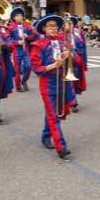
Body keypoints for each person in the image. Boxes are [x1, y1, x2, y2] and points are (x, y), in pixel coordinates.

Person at [30, 14, 75, 159]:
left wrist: (69, 55)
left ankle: (45, 136)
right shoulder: (38, 45)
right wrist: (53, 65)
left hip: (62, 82)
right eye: (50, 26)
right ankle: (61, 147)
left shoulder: (62, 43)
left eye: (55, 26)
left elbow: (76, 60)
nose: (54, 28)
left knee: (54, 113)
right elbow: (36, 68)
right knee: (53, 115)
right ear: (44, 28)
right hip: (48, 84)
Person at [7, 6, 34, 92]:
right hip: (16, 50)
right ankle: (18, 85)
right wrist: (17, 42)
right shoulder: (10, 27)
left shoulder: (27, 26)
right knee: (17, 69)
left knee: (28, 66)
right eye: (17, 16)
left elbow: (35, 35)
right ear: (14, 18)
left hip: (26, 50)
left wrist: (28, 36)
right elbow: (8, 40)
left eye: (21, 15)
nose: (20, 17)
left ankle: (24, 81)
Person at [64, 15, 87, 111]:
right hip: (64, 63)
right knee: (68, 83)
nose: (69, 26)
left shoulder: (77, 38)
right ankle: (73, 103)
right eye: (67, 24)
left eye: (71, 24)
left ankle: (71, 99)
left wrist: (74, 54)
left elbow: (81, 49)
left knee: (73, 83)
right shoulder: (60, 37)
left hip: (75, 62)